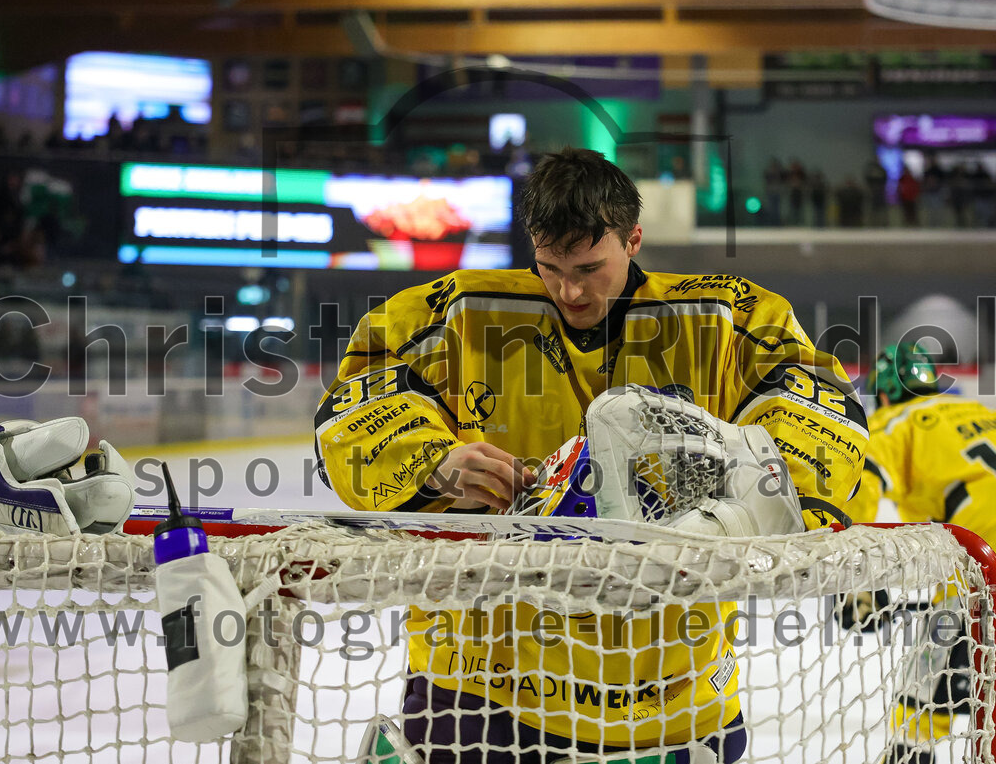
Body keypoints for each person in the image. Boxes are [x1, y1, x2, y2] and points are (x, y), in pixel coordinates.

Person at [315, 147, 868, 764]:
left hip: (671, 694)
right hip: (481, 685)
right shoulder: (452, 314)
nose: (568, 289)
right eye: (549, 267)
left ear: (633, 239)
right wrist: (433, 462)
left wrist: (740, 511)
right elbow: (353, 412)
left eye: (588, 266)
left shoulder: (727, 318)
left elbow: (821, 411)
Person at [855, 343, 995, 764]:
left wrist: (860, 583)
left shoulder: (894, 419)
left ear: (882, 394)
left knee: (922, 699)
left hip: (981, 561)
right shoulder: (981, 413)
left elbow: (866, 479)